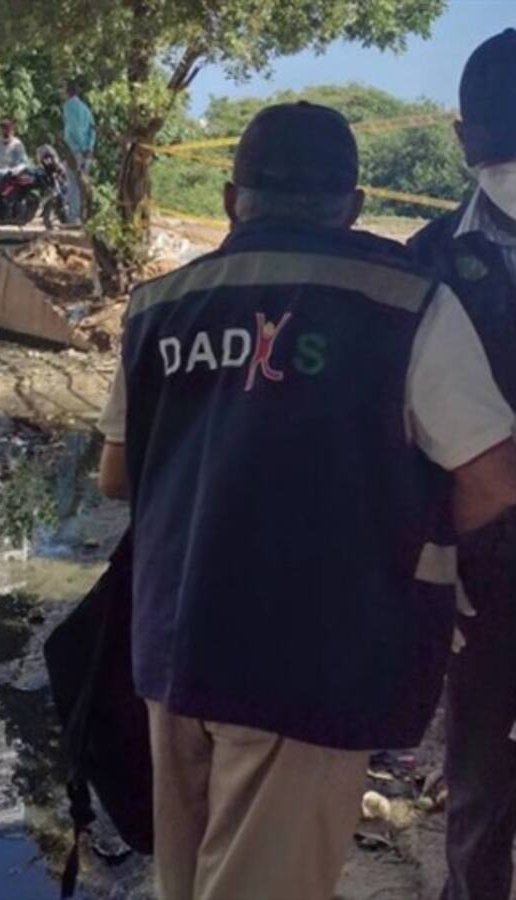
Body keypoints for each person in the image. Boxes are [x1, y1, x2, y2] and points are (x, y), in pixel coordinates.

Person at [96, 101, 516, 900]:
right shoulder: (405, 304)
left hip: (172, 648)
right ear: (354, 206)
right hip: (308, 662)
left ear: (229, 200)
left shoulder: (157, 305)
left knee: (183, 881)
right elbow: (494, 476)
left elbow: (118, 476)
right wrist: (400, 537)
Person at [409, 28, 516, 900]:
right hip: (480, 566)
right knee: (480, 776)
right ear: (464, 143)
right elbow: (396, 434)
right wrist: (432, 555)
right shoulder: (424, 264)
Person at [62, 81, 96, 223]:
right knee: (83, 184)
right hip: (87, 152)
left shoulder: (69, 106)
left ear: (68, 92)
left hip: (75, 150)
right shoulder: (85, 108)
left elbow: (71, 129)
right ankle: (85, 215)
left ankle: (73, 217)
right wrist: (89, 148)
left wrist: (75, 149)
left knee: (73, 183)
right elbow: (92, 129)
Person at [0, 118, 30, 214]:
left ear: (12, 130)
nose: (4, 131)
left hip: (10, 171)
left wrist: (15, 170)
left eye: (7, 129)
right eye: (2, 129)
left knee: (0, 174)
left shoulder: (17, 144)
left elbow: (24, 162)